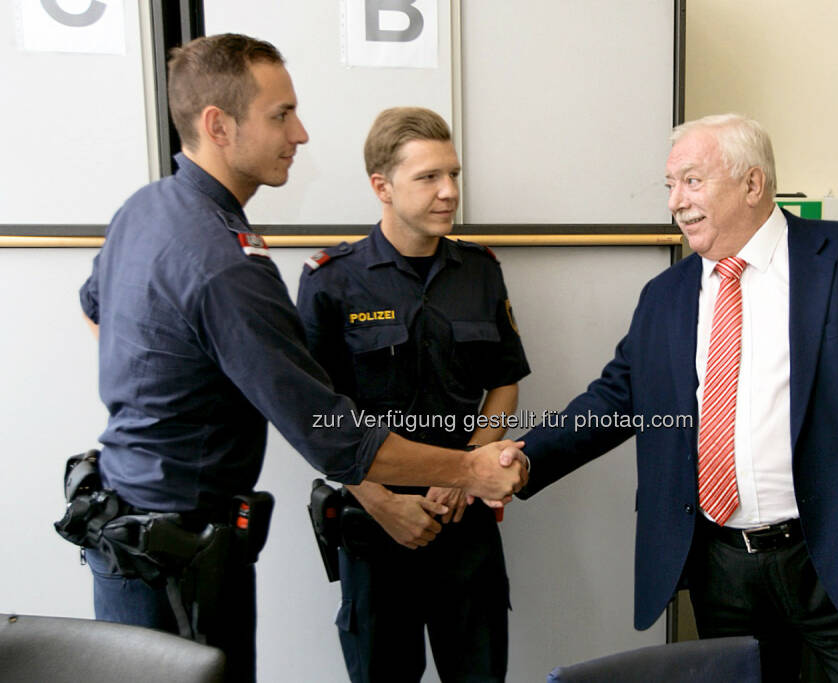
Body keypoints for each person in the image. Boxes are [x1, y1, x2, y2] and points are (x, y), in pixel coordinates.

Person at [78, 35, 526, 683]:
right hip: (180, 558)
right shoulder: (227, 259)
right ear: (218, 126)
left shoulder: (145, 209)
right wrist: (472, 467)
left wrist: (169, 395)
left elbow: (95, 307)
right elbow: (331, 433)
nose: (302, 133)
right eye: (281, 114)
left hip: (131, 526)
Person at [513, 113, 838, 681]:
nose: (675, 201)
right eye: (670, 185)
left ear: (752, 183)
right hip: (723, 566)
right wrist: (524, 457)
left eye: (691, 181)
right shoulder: (666, 295)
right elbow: (615, 399)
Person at [296, 107, 529, 683]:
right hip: (374, 526)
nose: (449, 192)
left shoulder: (480, 271)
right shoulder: (332, 280)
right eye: (429, 177)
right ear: (382, 186)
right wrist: (378, 499)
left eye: (453, 174)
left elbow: (504, 381)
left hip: (464, 520)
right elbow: (310, 414)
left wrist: (466, 471)